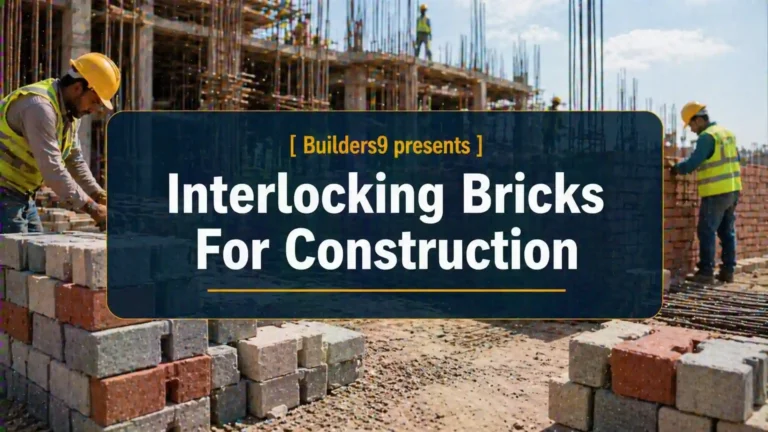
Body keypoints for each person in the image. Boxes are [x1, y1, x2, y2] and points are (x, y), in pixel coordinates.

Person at [0, 52, 119, 233]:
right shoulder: (39, 107)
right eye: (94, 101)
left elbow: (74, 159)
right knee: (16, 258)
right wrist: (92, 209)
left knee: (36, 255)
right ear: (78, 88)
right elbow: (52, 170)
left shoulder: (69, 114)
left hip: (21, 193)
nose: (95, 110)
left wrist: (98, 195)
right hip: (4, 190)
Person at [669, 102, 742, 283]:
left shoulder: (707, 137)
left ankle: (706, 272)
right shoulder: (727, 134)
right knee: (727, 231)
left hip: (716, 191)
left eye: (692, 125)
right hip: (732, 189)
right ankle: (727, 271)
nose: (692, 129)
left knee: (706, 230)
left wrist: (677, 168)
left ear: (699, 119)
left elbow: (694, 162)